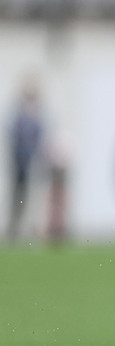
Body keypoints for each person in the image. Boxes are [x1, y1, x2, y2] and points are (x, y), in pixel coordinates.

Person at [7, 79, 45, 243]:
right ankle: (14, 227)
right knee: (17, 195)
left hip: (33, 163)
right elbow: (14, 137)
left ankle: (32, 227)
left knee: (33, 195)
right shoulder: (19, 115)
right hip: (20, 164)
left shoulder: (38, 115)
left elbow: (40, 138)